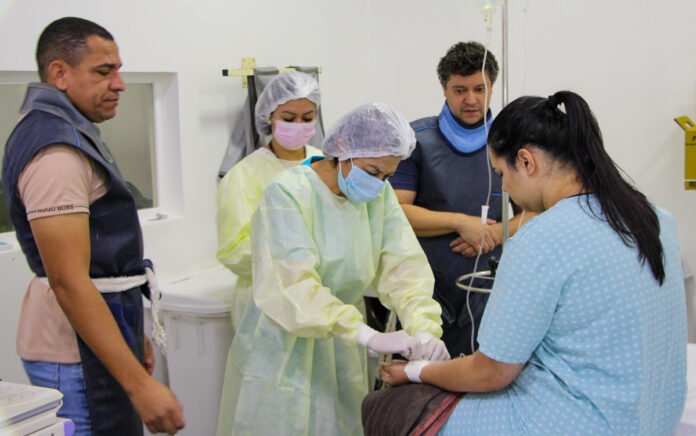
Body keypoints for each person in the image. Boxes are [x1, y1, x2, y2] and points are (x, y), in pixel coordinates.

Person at [376, 91, 688, 435]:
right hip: (653, 419)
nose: (505, 187)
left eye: (501, 173)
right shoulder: (657, 220)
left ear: (526, 161)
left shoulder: (541, 237)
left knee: (388, 407)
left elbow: (491, 372)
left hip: (576, 424)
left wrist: (417, 371)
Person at [216, 102, 450, 436]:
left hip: (341, 344)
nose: (378, 184)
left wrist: (423, 326)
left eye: (387, 176)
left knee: (341, 424)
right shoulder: (287, 193)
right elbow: (294, 286)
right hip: (284, 341)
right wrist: (366, 334)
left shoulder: (378, 197)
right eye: (372, 172)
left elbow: (404, 267)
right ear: (342, 150)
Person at [1, 17, 184, 435]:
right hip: (72, 354)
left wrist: (132, 335)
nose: (120, 84)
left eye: (118, 70)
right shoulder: (56, 151)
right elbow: (69, 281)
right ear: (59, 73)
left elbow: (104, 268)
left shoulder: (71, 133)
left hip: (94, 335)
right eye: (104, 72)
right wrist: (140, 386)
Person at [390, 41, 526, 357]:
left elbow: (535, 213)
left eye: (480, 89)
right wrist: (461, 223)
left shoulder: (510, 142)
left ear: (492, 87)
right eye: (460, 90)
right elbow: (397, 212)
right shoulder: (416, 141)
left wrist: (496, 232)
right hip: (426, 286)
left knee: (484, 372)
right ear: (444, 88)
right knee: (423, 371)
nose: (471, 99)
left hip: (488, 287)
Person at [216, 70, 323, 331]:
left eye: (307, 118)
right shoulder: (244, 175)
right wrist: (295, 262)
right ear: (269, 116)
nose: (298, 125)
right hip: (267, 304)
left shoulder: (325, 165)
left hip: (324, 295)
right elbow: (234, 251)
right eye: (288, 118)